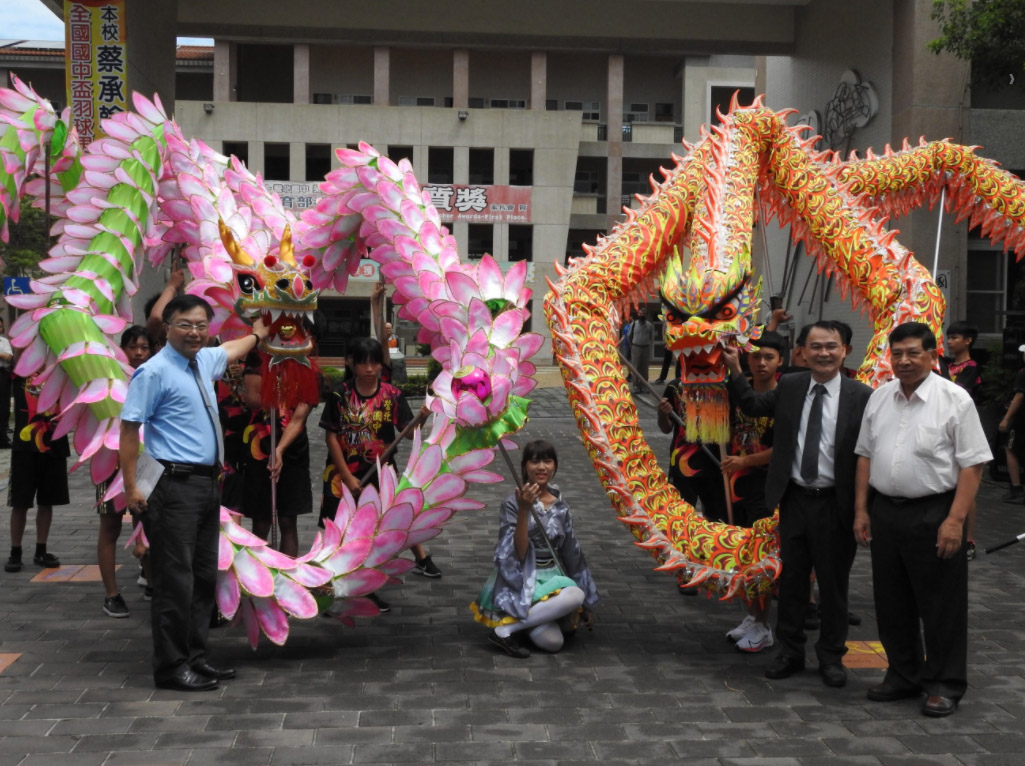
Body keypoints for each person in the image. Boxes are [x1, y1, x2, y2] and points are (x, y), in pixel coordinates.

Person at [120, 295, 269, 692]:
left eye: (202, 324)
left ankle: (196, 657)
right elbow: (129, 430)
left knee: (203, 577)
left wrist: (256, 334)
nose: (195, 332)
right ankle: (171, 667)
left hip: (206, 485)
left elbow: (230, 349)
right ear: (166, 327)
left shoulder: (203, 361)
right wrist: (132, 486)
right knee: (175, 581)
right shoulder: (152, 372)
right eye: (185, 324)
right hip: (172, 487)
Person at [724, 319, 872, 688]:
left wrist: (862, 509)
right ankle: (790, 652)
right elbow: (753, 405)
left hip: (835, 504)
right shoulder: (790, 385)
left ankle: (831, 657)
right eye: (816, 347)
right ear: (802, 352)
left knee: (833, 585)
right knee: (790, 582)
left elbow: (871, 452)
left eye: (831, 346)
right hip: (794, 502)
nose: (824, 353)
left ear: (845, 351)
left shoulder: (862, 396)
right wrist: (734, 368)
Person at [854, 322, 991, 718]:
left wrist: (955, 521)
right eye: (897, 353)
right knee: (891, 600)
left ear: (933, 356)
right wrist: (862, 510)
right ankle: (903, 674)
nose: (904, 360)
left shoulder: (954, 399)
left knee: (941, 604)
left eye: (913, 353)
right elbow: (864, 454)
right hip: (886, 512)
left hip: (935, 511)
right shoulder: (880, 397)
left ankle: (944, 683)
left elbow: (972, 465)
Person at [319, 337, 440, 610]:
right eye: (363, 362)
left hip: (380, 475)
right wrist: (347, 478)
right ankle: (332, 586)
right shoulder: (340, 395)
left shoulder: (392, 395)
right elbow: (331, 438)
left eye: (374, 362)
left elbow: (407, 435)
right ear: (351, 362)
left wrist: (422, 416)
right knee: (340, 531)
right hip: (342, 475)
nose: (370, 368)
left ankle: (365, 585)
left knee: (375, 530)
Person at [471, 440, 599, 658]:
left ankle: (515, 627)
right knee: (553, 641)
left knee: (560, 630)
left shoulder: (560, 504)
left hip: (552, 575)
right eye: (535, 461)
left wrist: (588, 603)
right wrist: (524, 510)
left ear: (555, 466)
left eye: (548, 461)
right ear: (524, 466)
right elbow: (516, 554)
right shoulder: (512, 502)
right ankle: (506, 629)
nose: (542, 467)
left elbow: (572, 553)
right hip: (522, 578)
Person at [722, 332, 783, 653]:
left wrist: (745, 459)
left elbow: (783, 448)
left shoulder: (786, 394)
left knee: (761, 556)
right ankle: (752, 617)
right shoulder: (737, 390)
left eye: (768, 357)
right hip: (736, 484)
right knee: (741, 553)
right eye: (756, 356)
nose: (761, 363)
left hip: (766, 488)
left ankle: (763, 624)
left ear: (780, 362)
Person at [97, 325, 154, 618]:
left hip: (147, 464)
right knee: (110, 527)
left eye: (144, 347)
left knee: (146, 525)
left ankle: (150, 579)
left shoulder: (155, 377)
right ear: (123, 350)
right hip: (111, 463)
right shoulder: (110, 378)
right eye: (133, 347)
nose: (139, 353)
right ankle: (112, 594)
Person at [238, 361, 313, 558]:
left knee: (288, 519)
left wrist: (280, 449)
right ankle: (261, 578)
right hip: (259, 447)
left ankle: (288, 576)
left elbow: (299, 418)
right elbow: (252, 401)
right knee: (261, 521)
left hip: (292, 451)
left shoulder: (308, 371)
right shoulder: (256, 362)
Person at [4, 369, 69, 573]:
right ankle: (15, 552)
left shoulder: (61, 371)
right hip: (25, 446)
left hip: (54, 444)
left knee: (47, 501)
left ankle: (41, 550)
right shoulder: (21, 371)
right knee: (20, 502)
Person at [657, 382, 726, 524]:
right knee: (681, 519)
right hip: (683, 466)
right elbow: (666, 428)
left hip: (715, 463)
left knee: (716, 518)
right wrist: (662, 414)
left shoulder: (724, 385)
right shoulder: (675, 388)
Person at [944, 321, 983, 559]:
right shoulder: (945, 364)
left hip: (966, 427)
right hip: (945, 427)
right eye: (948, 337)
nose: (949, 342)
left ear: (967, 340)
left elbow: (959, 392)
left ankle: (969, 538)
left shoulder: (972, 368)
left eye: (955, 337)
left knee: (967, 486)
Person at [998, 344, 1025, 502]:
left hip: (1021, 419)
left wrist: (1006, 418)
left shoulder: (1023, 373)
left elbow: (1019, 396)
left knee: (1010, 449)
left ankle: (1016, 488)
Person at [628, 310, 653, 393]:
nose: (641, 315)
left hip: (646, 348)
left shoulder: (649, 325)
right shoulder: (634, 324)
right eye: (640, 313)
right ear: (638, 314)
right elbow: (629, 336)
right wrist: (632, 346)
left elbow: (651, 337)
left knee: (644, 369)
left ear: (645, 315)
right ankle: (636, 387)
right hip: (636, 348)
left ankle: (644, 387)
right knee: (635, 368)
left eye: (643, 313)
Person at [0, 317, 12, 448]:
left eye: (1, 326)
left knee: (3, 408)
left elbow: (8, 356)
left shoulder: (4, 341)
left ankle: (3, 439)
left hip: (2, 374)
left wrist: (3, 355)